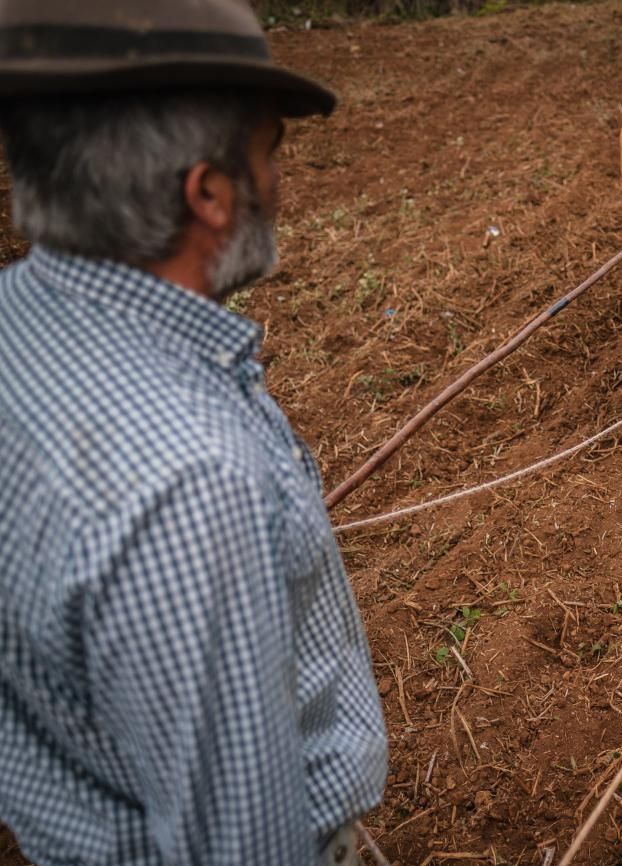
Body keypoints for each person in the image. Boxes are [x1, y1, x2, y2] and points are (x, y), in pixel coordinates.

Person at [0, 2, 388, 864]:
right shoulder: (190, 485)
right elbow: (241, 844)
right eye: (269, 152)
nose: (279, 183)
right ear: (209, 194)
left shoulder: (15, 326)